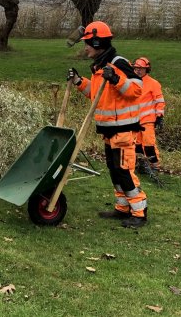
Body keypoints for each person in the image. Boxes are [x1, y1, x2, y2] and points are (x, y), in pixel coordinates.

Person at [66, 21, 148, 228]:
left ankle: (139, 212)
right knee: (113, 169)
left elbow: (137, 90)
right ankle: (122, 208)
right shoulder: (99, 67)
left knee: (124, 170)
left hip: (122, 129)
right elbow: (96, 96)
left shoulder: (118, 63)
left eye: (87, 44)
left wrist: (116, 80)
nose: (85, 47)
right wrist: (78, 81)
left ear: (97, 41)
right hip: (109, 130)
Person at [131, 57, 165, 172]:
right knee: (137, 145)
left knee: (149, 144)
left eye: (141, 68)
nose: (138, 70)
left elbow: (159, 101)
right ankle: (141, 165)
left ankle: (155, 166)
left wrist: (159, 116)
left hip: (148, 120)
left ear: (146, 69)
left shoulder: (153, 83)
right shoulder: (133, 82)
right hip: (135, 120)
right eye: (136, 68)